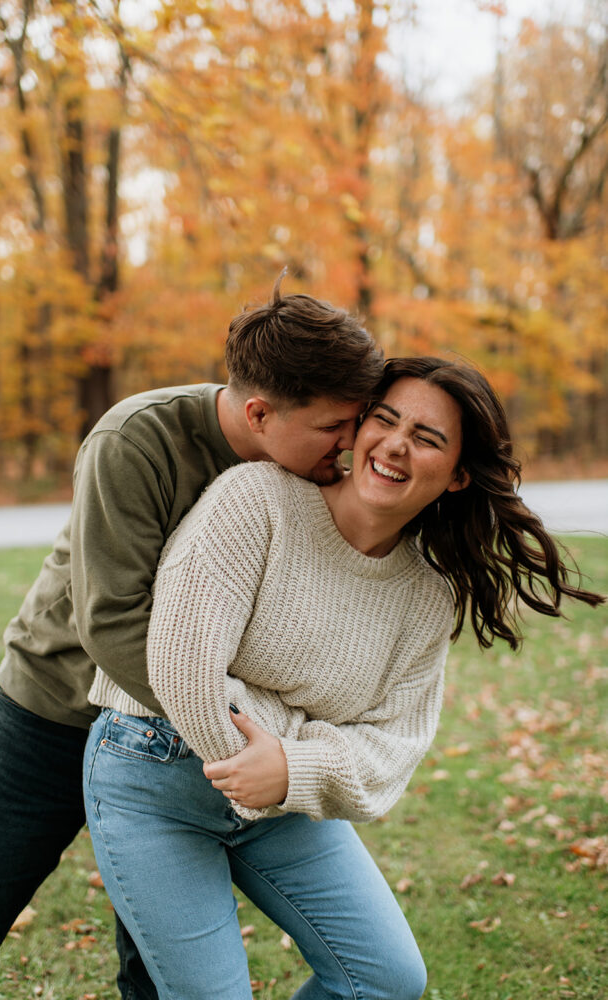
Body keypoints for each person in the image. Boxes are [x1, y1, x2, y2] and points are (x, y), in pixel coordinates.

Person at [83, 356, 604, 1000]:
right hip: (154, 773)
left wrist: (289, 770)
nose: (395, 445)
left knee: (386, 979)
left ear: (459, 476)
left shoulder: (425, 594)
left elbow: (392, 746)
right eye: (385, 420)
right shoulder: (257, 500)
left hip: (283, 800)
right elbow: (181, 663)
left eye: (427, 438)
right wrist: (282, 752)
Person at [0, 275, 386, 1000]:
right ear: (260, 412)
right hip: (55, 707)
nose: (351, 444)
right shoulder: (135, 440)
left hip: (180, 744)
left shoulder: (308, 467)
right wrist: (242, 727)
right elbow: (112, 624)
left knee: (158, 964)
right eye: (335, 427)